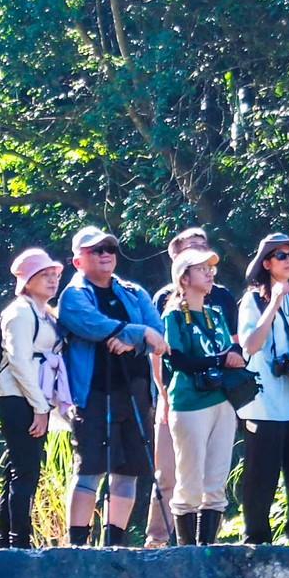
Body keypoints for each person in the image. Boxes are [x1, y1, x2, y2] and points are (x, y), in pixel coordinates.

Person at [56, 226, 168, 547]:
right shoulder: (73, 296)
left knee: (128, 470)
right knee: (91, 469)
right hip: (93, 394)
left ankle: (115, 544)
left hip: (134, 392)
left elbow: (158, 334)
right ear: (78, 261)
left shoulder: (133, 292)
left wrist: (132, 340)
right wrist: (138, 334)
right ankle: (78, 545)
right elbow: (92, 325)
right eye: (96, 250)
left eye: (110, 249)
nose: (105, 254)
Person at [146, 226, 238, 548]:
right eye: (201, 269)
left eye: (210, 268)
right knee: (189, 480)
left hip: (221, 401)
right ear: (184, 278)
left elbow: (229, 348)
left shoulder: (215, 313)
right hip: (189, 401)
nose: (210, 273)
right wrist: (220, 361)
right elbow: (178, 360)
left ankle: (207, 550)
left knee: (216, 480)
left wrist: (232, 358)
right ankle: (186, 552)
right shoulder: (172, 316)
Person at [236, 232, 289, 546]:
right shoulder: (252, 300)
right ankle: (257, 540)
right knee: (261, 476)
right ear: (267, 263)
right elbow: (250, 345)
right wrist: (273, 302)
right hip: (263, 403)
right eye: (281, 255)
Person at [0, 248, 73, 549]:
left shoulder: (43, 312)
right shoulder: (20, 312)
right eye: (44, 275)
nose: (52, 280)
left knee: (19, 467)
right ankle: (19, 542)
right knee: (26, 470)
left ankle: (6, 540)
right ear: (27, 281)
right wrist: (40, 407)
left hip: (32, 397)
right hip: (18, 398)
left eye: (54, 275)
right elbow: (19, 362)